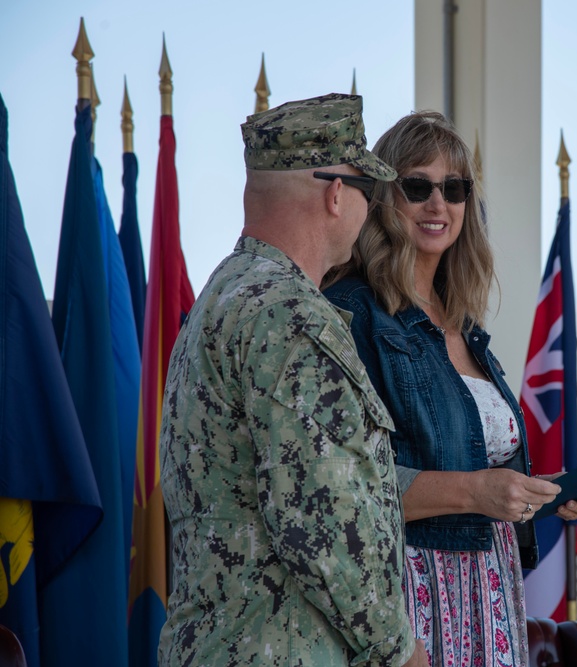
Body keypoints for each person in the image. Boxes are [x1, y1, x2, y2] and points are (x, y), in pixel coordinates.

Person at [323, 110, 577, 667]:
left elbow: (475, 468)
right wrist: (477, 492)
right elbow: (345, 486)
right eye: (418, 187)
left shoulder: (466, 326)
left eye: (454, 189)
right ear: (384, 197)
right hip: (407, 595)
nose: (439, 205)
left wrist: (544, 492)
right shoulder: (351, 313)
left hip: (488, 585)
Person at [158, 93, 428, 666]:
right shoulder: (290, 315)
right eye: (368, 191)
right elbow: (328, 528)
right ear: (336, 193)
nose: (370, 210)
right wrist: (400, 652)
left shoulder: (222, 297)